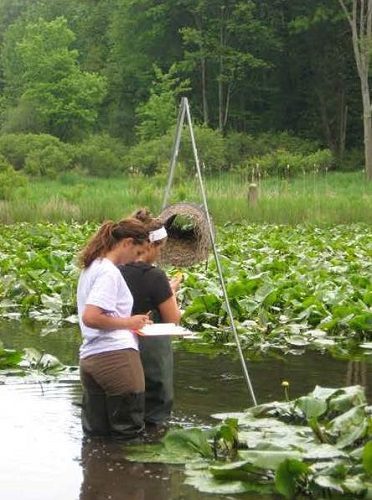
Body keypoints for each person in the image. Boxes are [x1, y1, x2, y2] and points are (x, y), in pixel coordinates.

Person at [77, 217, 152, 440]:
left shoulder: (91, 267)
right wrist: (130, 323)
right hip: (116, 359)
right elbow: (91, 316)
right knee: (128, 434)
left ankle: (98, 474)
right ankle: (124, 475)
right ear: (127, 243)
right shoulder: (108, 272)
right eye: (138, 252)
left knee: (96, 436)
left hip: (90, 359)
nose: (136, 260)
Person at [118, 209, 182, 427]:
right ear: (151, 245)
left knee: (124, 415)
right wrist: (171, 292)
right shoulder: (155, 276)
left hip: (119, 350)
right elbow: (173, 319)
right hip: (150, 354)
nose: (160, 254)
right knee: (155, 416)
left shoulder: (114, 269)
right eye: (161, 248)